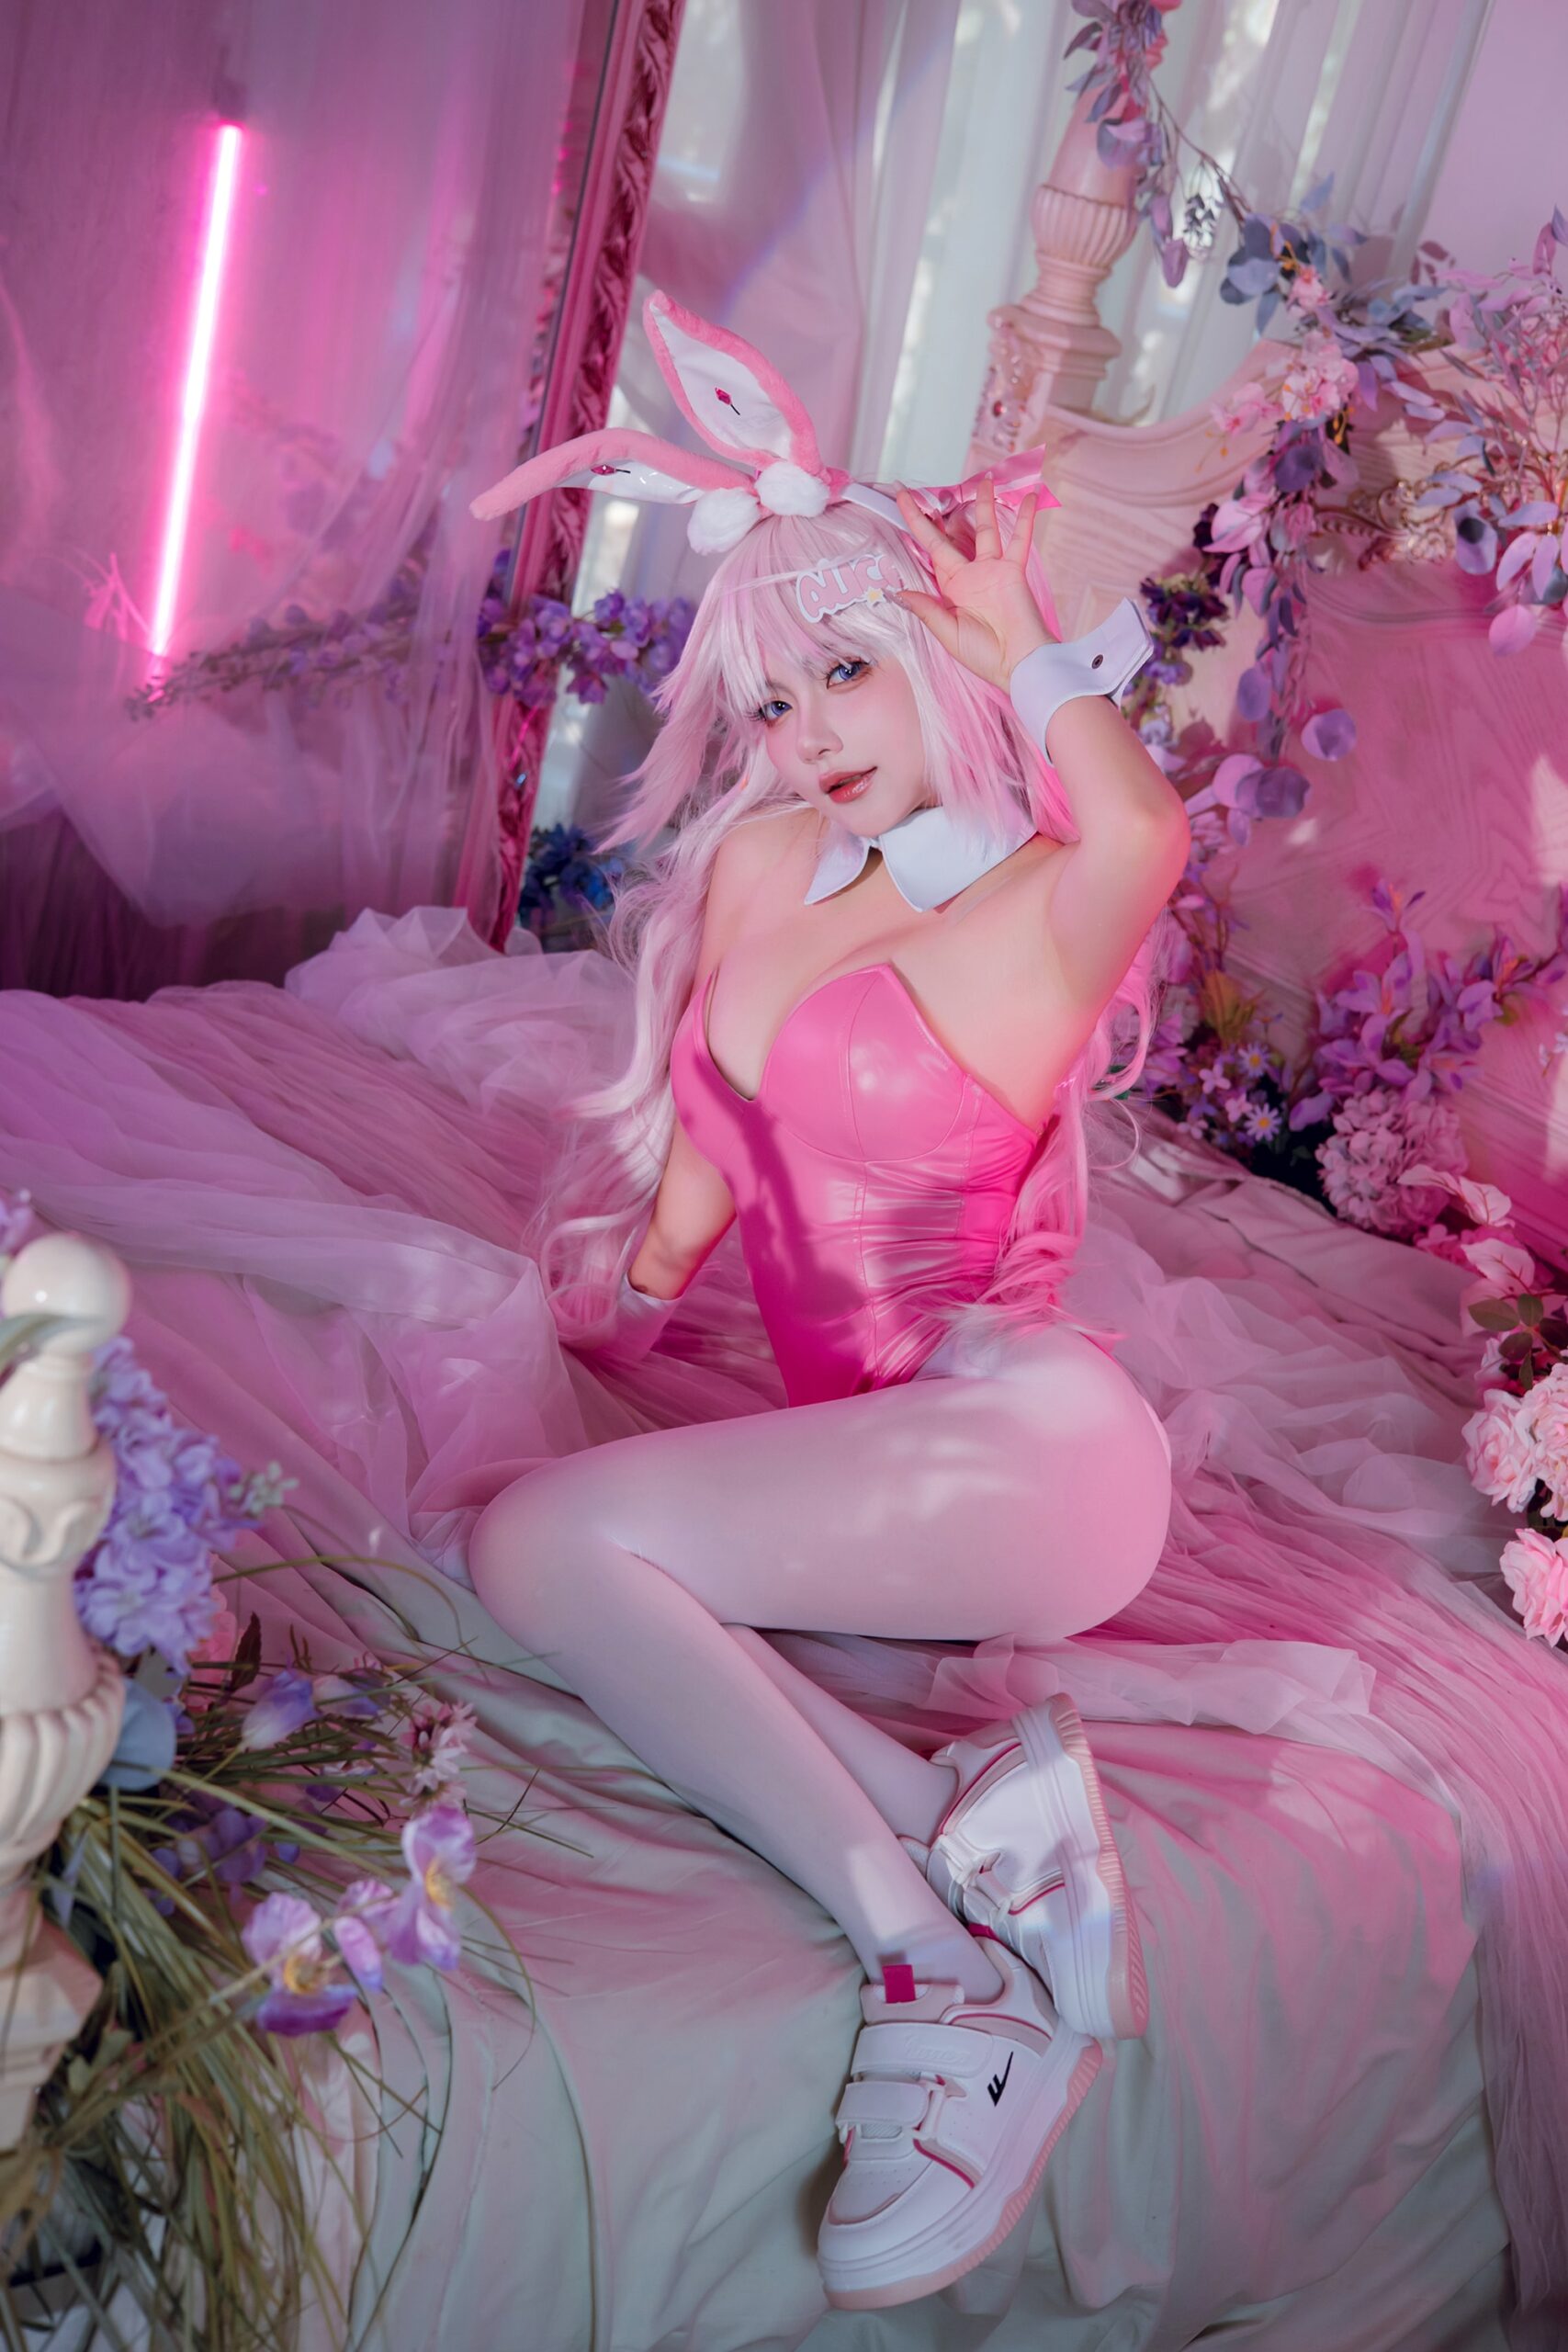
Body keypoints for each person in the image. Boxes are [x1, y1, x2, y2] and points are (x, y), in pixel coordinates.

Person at [468, 293, 1188, 2310]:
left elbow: (1143, 825)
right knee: (529, 1555)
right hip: (891, 1450)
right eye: (775, 701)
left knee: (546, 1548)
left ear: (944, 657)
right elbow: (721, 1137)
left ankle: (943, 1971)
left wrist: (1017, 639)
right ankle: (962, 1818)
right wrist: (629, 1298)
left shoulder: (1038, 906)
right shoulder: (775, 863)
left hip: (1034, 1444)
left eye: (850, 672)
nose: (808, 737)